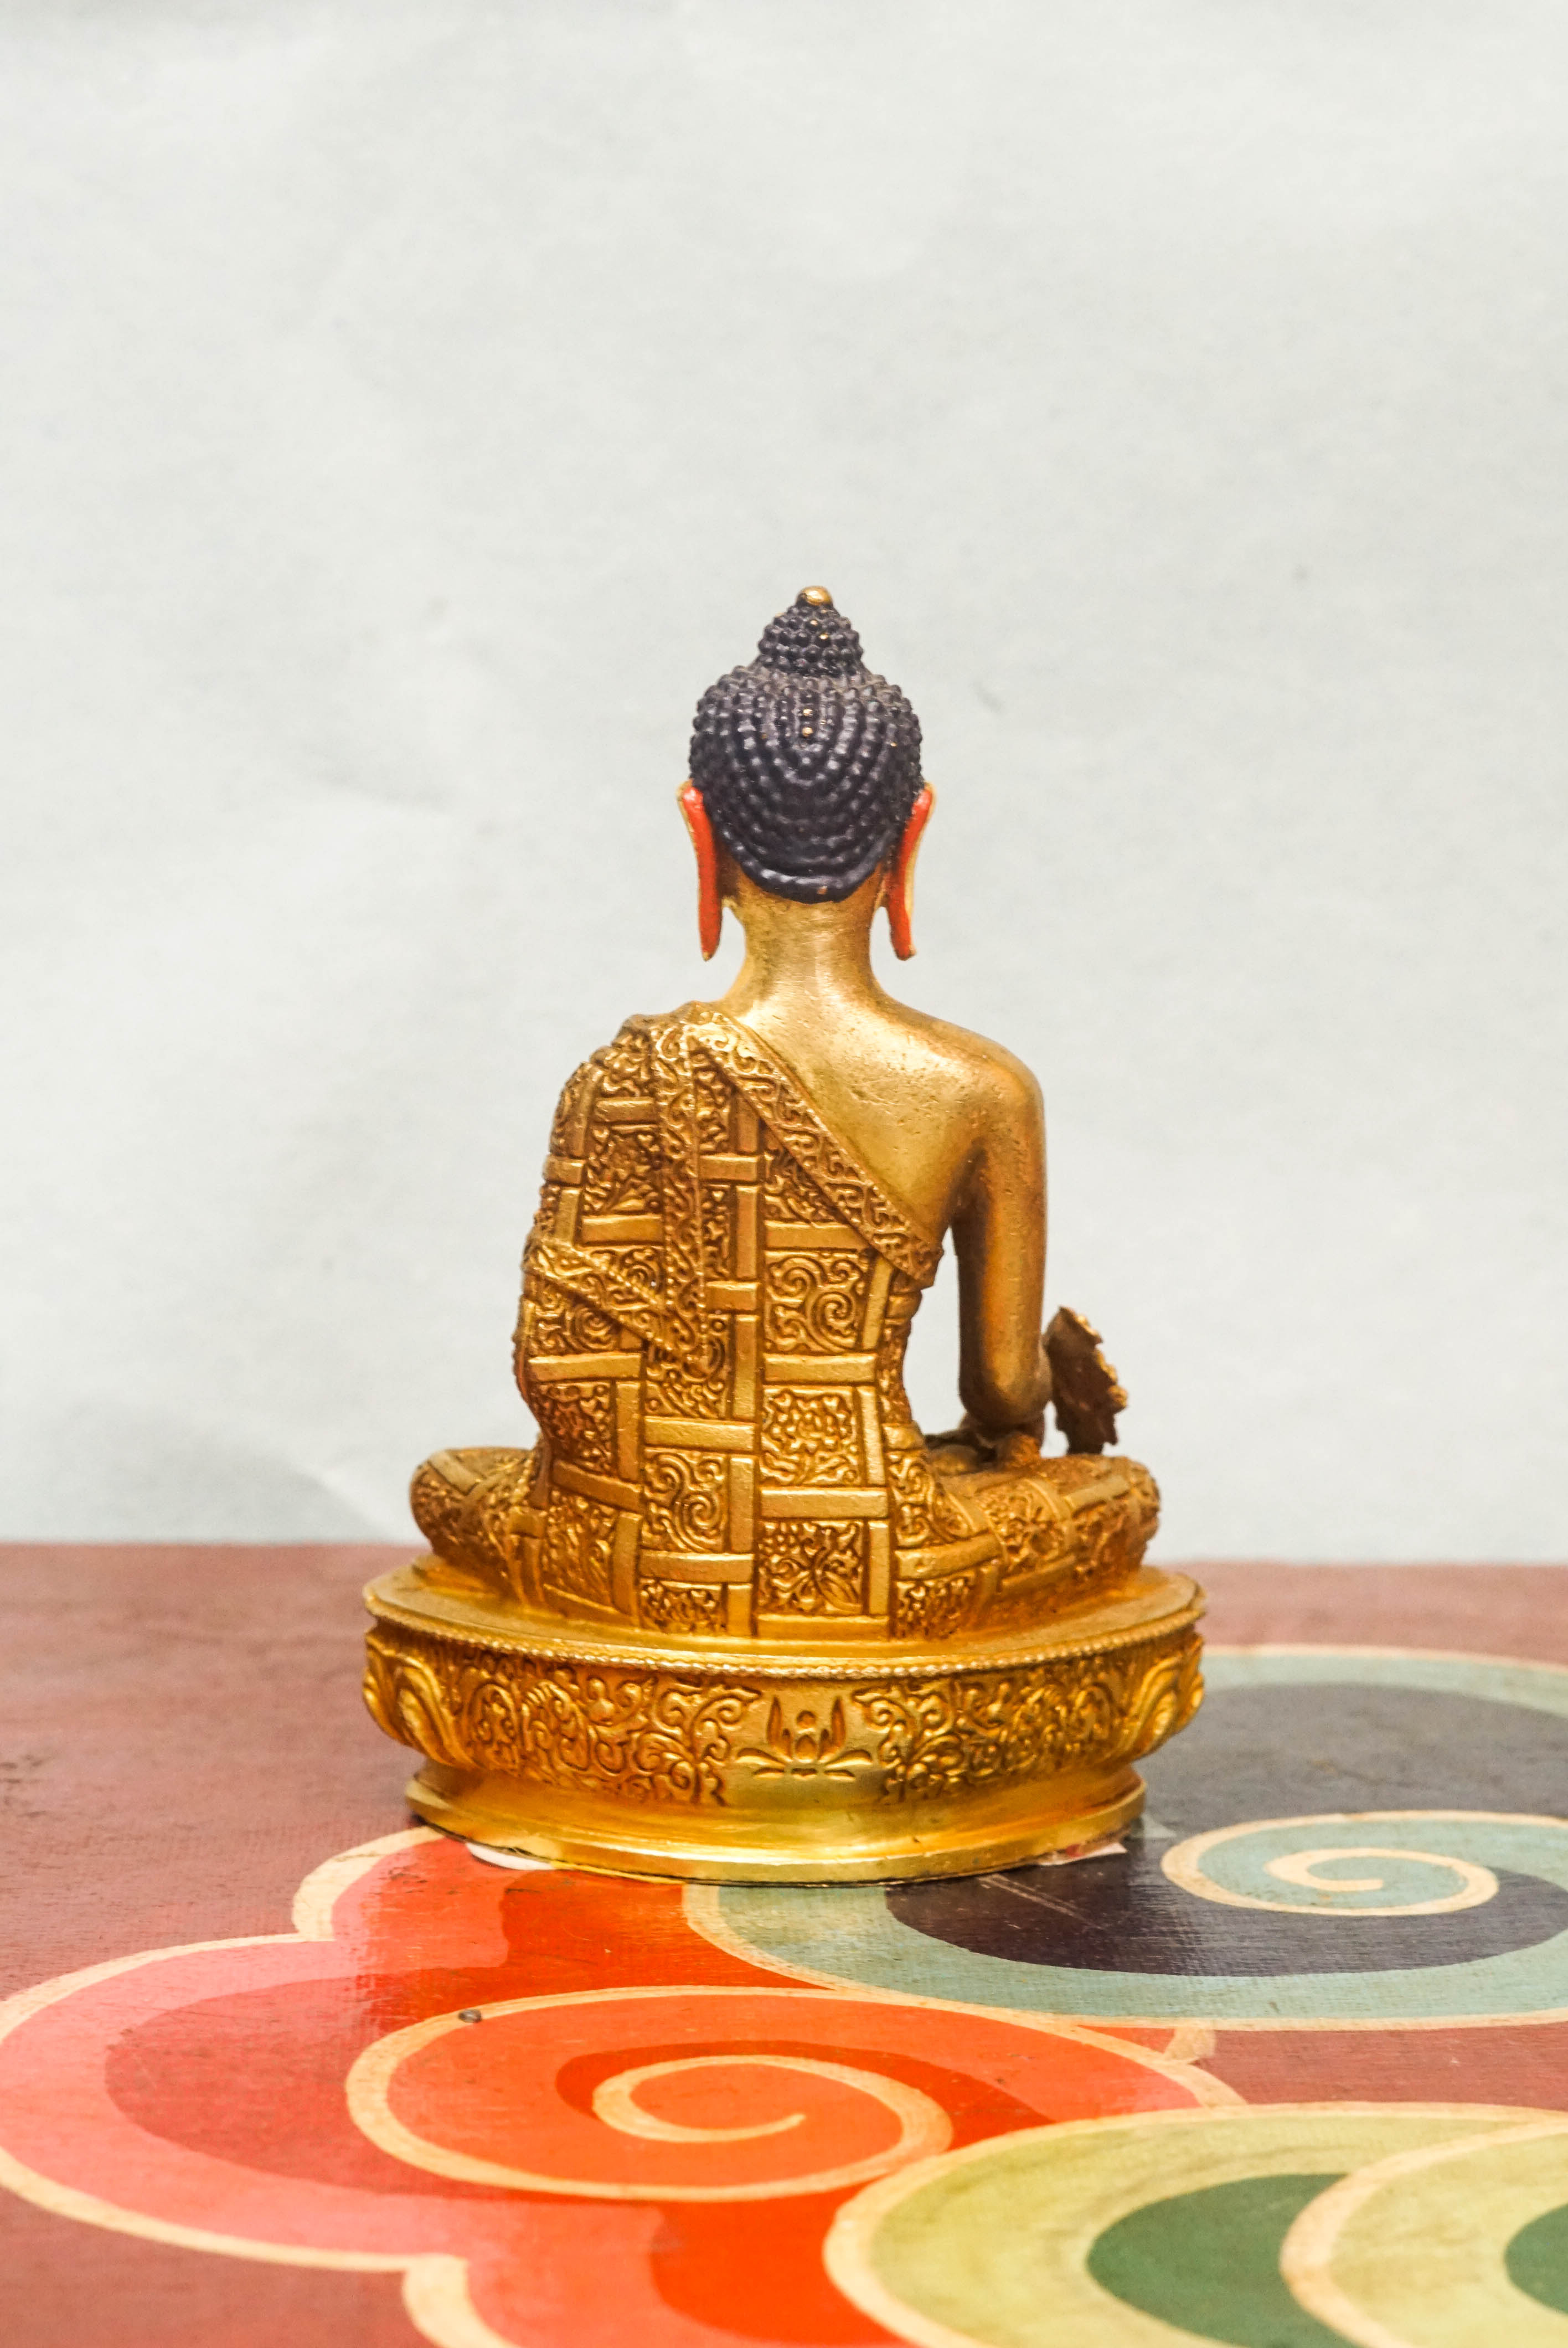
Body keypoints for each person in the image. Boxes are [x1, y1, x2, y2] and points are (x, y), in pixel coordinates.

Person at [410, 589, 1155, 1645]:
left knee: (446, 1484)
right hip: (888, 1559)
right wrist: (1064, 1405)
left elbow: (554, 1367)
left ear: (698, 829)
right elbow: (996, 1394)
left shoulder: (619, 1077)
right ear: (915, 831)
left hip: (630, 1555)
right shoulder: (983, 1088)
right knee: (1124, 1497)